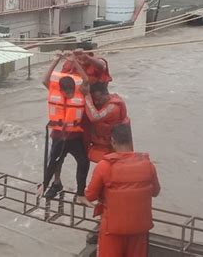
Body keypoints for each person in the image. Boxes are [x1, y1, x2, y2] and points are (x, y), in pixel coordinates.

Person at [84, 123, 160, 257]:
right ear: (131, 141)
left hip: (112, 231)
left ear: (112, 141)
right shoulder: (148, 165)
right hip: (139, 230)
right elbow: (156, 192)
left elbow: (90, 195)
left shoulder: (104, 166)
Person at [41, 51, 91, 200]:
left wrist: (74, 61)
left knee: (83, 162)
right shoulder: (55, 91)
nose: (70, 95)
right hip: (58, 136)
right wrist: (55, 60)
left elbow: (86, 80)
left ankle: (80, 193)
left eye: (71, 92)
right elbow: (45, 79)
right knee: (55, 161)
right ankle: (52, 185)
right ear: (61, 91)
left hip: (75, 137)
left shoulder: (79, 91)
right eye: (67, 93)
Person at [84, 82, 130, 163]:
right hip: (105, 144)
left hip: (113, 146)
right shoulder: (107, 102)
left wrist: (87, 97)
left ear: (106, 94)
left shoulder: (113, 108)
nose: (97, 102)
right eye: (95, 100)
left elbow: (95, 117)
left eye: (99, 99)